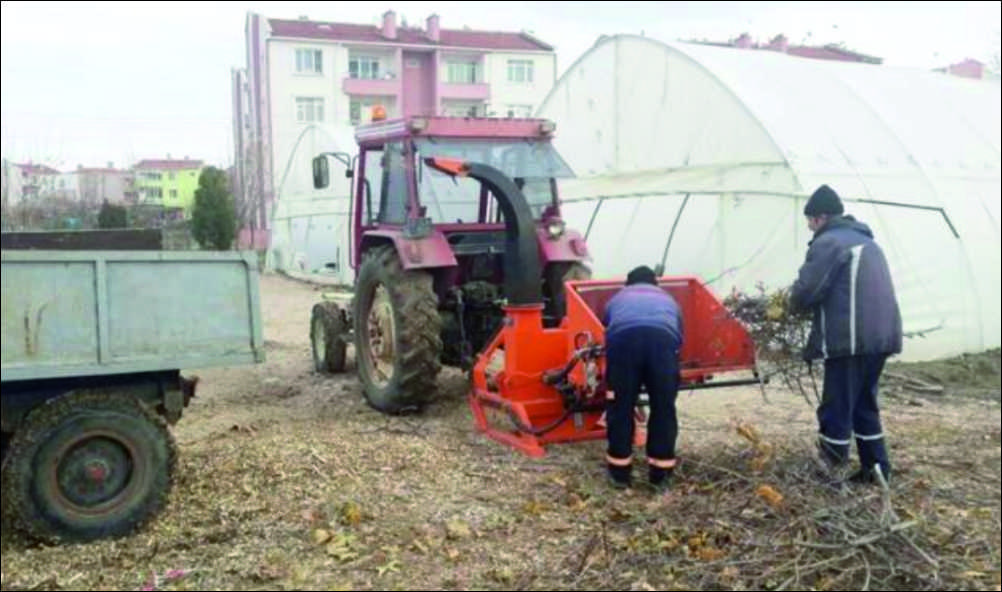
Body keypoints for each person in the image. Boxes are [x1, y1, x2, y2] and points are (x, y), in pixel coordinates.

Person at [789, 184, 902, 485]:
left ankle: (829, 471)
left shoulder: (830, 243)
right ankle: (876, 469)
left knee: (836, 406)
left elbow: (807, 290)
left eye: (811, 221)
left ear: (821, 217)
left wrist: (789, 303)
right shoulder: (866, 241)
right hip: (881, 338)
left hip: (850, 340)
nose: (810, 227)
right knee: (864, 404)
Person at [602, 265, 684, 491]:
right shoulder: (669, 299)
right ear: (655, 283)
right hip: (663, 344)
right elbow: (678, 335)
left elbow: (606, 327)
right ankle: (661, 476)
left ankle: (619, 475)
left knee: (620, 406)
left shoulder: (617, 298)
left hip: (624, 343)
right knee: (663, 408)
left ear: (628, 283)